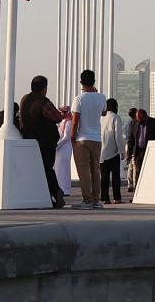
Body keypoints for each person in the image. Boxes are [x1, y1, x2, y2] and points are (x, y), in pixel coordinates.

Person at [19, 75, 67, 209]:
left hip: (28, 140)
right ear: (44, 89)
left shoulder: (24, 99)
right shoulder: (43, 102)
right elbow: (57, 118)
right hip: (45, 142)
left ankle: (48, 195)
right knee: (47, 168)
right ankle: (56, 192)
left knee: (36, 169)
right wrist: (62, 115)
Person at [68, 69, 107, 209]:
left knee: (83, 170)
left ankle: (87, 200)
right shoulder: (102, 97)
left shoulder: (78, 99)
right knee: (95, 169)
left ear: (81, 82)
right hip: (96, 138)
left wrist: (72, 137)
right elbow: (104, 113)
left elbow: (75, 120)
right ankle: (96, 200)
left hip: (82, 138)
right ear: (94, 81)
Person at [100, 97, 125, 205]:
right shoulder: (115, 117)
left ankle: (104, 197)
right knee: (115, 176)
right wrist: (121, 150)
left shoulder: (101, 118)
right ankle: (117, 198)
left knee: (104, 177)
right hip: (113, 151)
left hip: (101, 151)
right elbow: (118, 136)